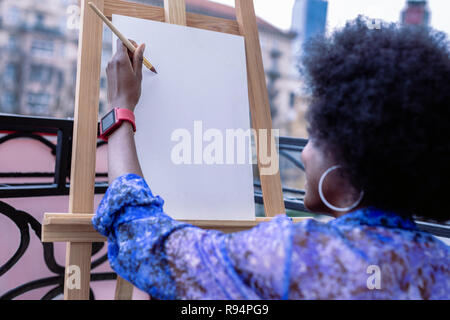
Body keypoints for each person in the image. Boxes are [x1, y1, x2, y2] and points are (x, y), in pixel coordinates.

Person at [93, 18, 449, 299]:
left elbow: (144, 241)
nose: (306, 151)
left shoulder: (295, 256)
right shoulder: (441, 266)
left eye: (317, 135)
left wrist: (120, 110)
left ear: (348, 159)